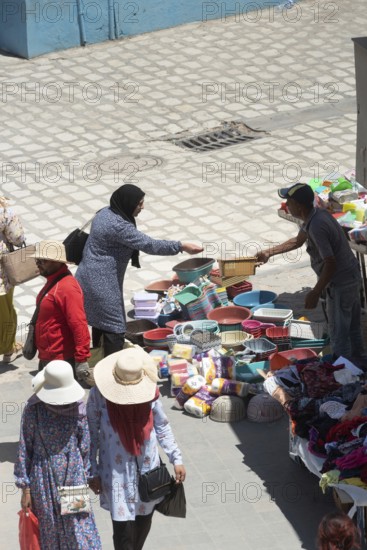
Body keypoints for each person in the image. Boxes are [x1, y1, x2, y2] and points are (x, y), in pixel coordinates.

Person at [76, 183, 203, 357]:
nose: (142, 207)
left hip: (86, 276)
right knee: (115, 327)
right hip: (102, 283)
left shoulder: (105, 212)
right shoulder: (119, 226)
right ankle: (112, 367)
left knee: (101, 322)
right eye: (139, 203)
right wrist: (181, 246)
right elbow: (149, 245)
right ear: (128, 203)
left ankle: (99, 360)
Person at [87, 347, 186, 550]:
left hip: (147, 474)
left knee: (142, 526)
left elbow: (162, 425)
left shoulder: (150, 394)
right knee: (122, 536)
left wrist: (176, 458)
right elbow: (91, 435)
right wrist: (92, 471)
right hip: (116, 476)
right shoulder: (99, 396)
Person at [257, 183, 363, 359]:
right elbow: (297, 241)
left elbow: (330, 263)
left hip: (341, 283)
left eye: (288, 202)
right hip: (350, 276)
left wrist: (316, 291)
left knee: (339, 335)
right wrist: (269, 252)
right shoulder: (315, 216)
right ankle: (359, 367)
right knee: (352, 328)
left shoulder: (317, 226)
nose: (287, 206)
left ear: (299, 206)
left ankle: (343, 375)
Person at [14, 360, 102, 550]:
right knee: (62, 529)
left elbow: (85, 446)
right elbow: (25, 449)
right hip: (58, 479)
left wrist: (90, 476)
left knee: (74, 529)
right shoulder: (34, 410)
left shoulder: (76, 410)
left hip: (61, 478)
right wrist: (25, 489)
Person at [30, 240, 91, 381]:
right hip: (48, 356)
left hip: (61, 360)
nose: (38, 263)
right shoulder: (53, 281)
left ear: (57, 262)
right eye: (37, 260)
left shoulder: (67, 288)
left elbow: (79, 324)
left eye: (43, 260)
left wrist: (82, 359)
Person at [0, 196, 25, 363]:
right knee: (4, 311)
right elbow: (17, 237)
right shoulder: (4, 213)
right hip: (1, 275)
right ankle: (8, 349)